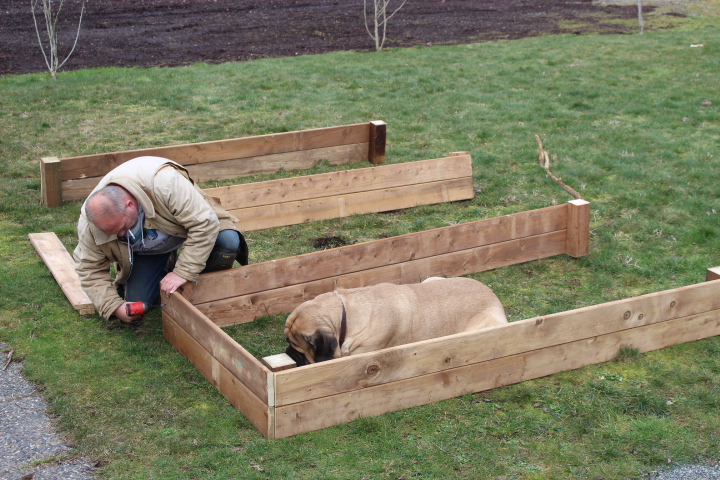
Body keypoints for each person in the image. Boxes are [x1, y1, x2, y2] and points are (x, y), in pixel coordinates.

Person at [73, 156, 248, 323]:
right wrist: (114, 306)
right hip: (146, 252)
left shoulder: (165, 183)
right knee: (140, 301)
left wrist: (183, 272)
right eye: (113, 232)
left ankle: (202, 287)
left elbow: (204, 223)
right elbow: (89, 268)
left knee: (228, 243)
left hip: (187, 229)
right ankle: (167, 270)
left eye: (123, 227)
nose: (120, 235)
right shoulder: (91, 223)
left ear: (130, 205)